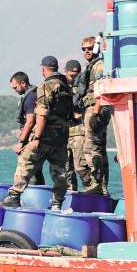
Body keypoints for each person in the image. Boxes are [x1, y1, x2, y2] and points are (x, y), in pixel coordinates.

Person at [0, 56, 72, 210]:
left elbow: (41, 114)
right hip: (61, 137)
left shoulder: (46, 86)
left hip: (45, 135)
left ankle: (14, 196)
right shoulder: (66, 86)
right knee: (59, 171)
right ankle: (57, 202)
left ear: (43, 69)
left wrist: (36, 137)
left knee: (25, 161)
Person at [77, 36, 111, 194]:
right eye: (83, 49)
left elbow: (103, 89)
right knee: (99, 149)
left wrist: (96, 111)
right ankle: (102, 187)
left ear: (96, 48)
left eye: (89, 48)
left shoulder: (99, 66)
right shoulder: (92, 66)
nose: (86, 51)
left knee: (91, 148)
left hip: (95, 108)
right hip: (92, 108)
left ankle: (96, 184)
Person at [9, 71, 45, 185]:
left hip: (31, 139)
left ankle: (17, 195)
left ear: (23, 83)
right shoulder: (33, 94)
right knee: (36, 170)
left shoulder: (30, 97)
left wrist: (21, 142)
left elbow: (30, 121)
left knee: (25, 166)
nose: (14, 90)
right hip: (36, 139)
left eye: (15, 87)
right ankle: (39, 195)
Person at [64, 60, 89, 191]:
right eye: (71, 75)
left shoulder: (84, 87)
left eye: (76, 74)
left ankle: (92, 190)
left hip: (79, 132)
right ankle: (70, 195)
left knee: (81, 167)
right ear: (65, 72)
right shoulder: (60, 86)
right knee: (66, 169)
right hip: (63, 132)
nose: (74, 77)